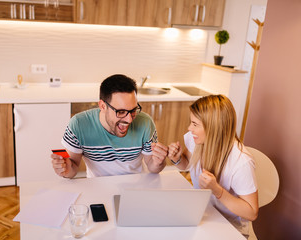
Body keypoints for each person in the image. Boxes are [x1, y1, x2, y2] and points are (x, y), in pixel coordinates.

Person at [168, 95, 258, 237]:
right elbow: (186, 164)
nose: (189, 128)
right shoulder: (195, 139)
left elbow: (251, 213)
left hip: (229, 226)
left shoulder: (241, 162)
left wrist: (217, 190)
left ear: (213, 128)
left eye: (195, 124)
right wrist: (177, 159)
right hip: (201, 213)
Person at [52, 74, 168, 178]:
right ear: (103, 106)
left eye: (133, 110)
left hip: (135, 185)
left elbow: (152, 168)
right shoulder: (78, 124)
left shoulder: (145, 123)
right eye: (121, 112)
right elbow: (73, 169)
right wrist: (66, 170)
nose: (129, 119)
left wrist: (159, 162)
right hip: (98, 187)